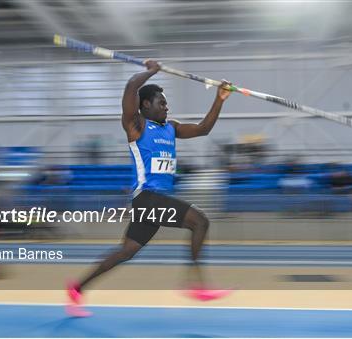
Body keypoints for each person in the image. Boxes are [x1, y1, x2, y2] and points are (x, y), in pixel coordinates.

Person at [66, 60, 232, 316]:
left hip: (156, 200)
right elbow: (131, 86)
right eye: (162, 103)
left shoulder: (171, 128)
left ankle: (77, 288)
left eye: (166, 103)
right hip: (147, 198)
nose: (167, 107)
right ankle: (196, 283)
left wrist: (220, 98)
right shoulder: (137, 125)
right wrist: (152, 71)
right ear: (146, 105)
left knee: (127, 251)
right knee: (200, 222)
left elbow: (203, 129)